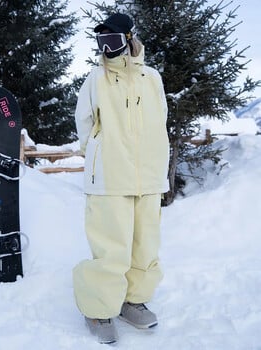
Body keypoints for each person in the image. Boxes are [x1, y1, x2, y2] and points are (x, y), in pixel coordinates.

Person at [72, 13, 170, 344]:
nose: (107, 49)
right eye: (101, 42)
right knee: (112, 246)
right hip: (110, 176)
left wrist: (153, 155)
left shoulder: (151, 77)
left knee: (145, 245)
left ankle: (133, 300)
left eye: (112, 40)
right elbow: (83, 121)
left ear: (129, 39)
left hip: (149, 175)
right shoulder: (95, 78)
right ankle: (98, 309)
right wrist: (99, 153)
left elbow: (161, 117)